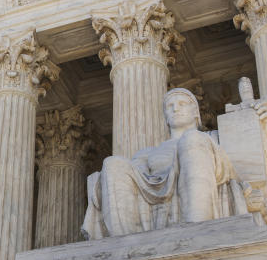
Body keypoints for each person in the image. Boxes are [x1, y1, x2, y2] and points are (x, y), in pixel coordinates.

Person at [82, 88, 249, 238]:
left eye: (182, 104)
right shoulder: (148, 153)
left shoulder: (213, 138)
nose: (175, 108)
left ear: (196, 113)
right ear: (166, 119)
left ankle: (198, 229)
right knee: (112, 163)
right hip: (153, 191)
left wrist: (258, 121)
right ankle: (127, 243)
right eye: (170, 106)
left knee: (191, 139)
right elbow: (132, 176)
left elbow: (244, 166)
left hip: (204, 181)